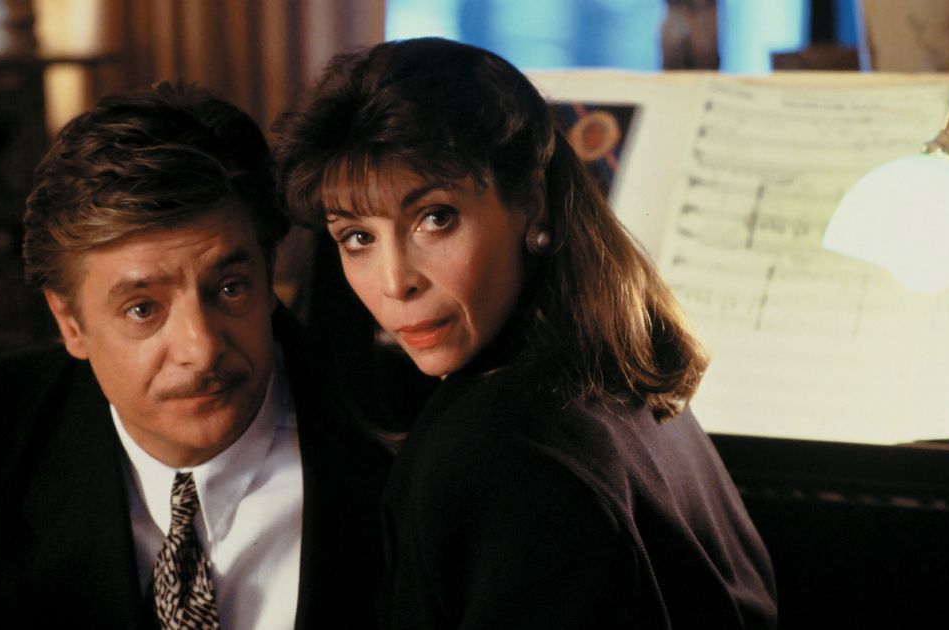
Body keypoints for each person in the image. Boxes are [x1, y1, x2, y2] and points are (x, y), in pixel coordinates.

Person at [274, 38, 778, 630]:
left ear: (531, 203)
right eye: (358, 237)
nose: (394, 282)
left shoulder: (500, 453)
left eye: (436, 218)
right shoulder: (617, 370)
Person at [0, 82, 392, 629]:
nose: (202, 349)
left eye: (230, 289)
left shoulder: (397, 439)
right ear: (70, 322)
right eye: (142, 309)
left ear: (268, 272)